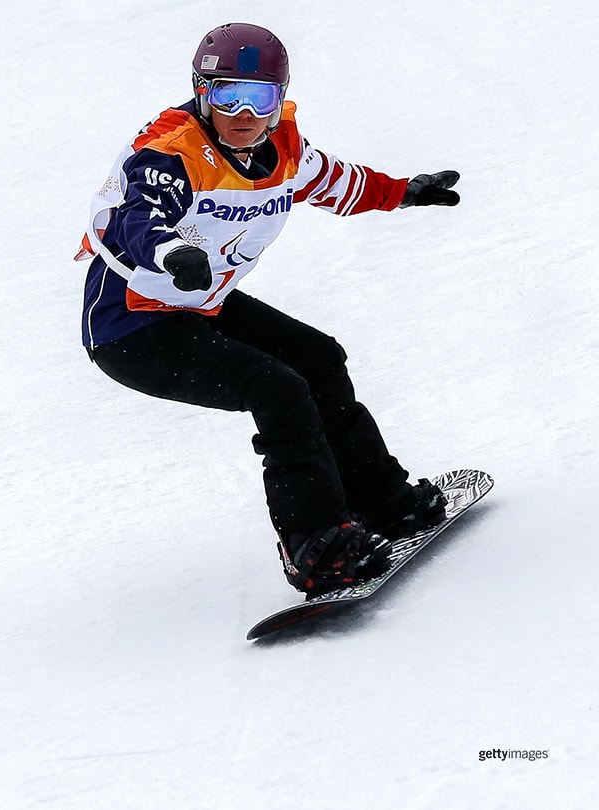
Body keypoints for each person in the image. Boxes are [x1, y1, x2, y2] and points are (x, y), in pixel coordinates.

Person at [75, 22, 461, 596]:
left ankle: (385, 504)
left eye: (259, 98)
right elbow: (140, 217)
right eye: (225, 94)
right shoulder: (171, 154)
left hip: (196, 305)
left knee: (320, 359)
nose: (242, 113)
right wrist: (172, 250)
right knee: (275, 387)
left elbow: (339, 183)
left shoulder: (282, 149)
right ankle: (317, 546)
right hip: (130, 325)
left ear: (279, 101)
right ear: (200, 92)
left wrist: (403, 191)